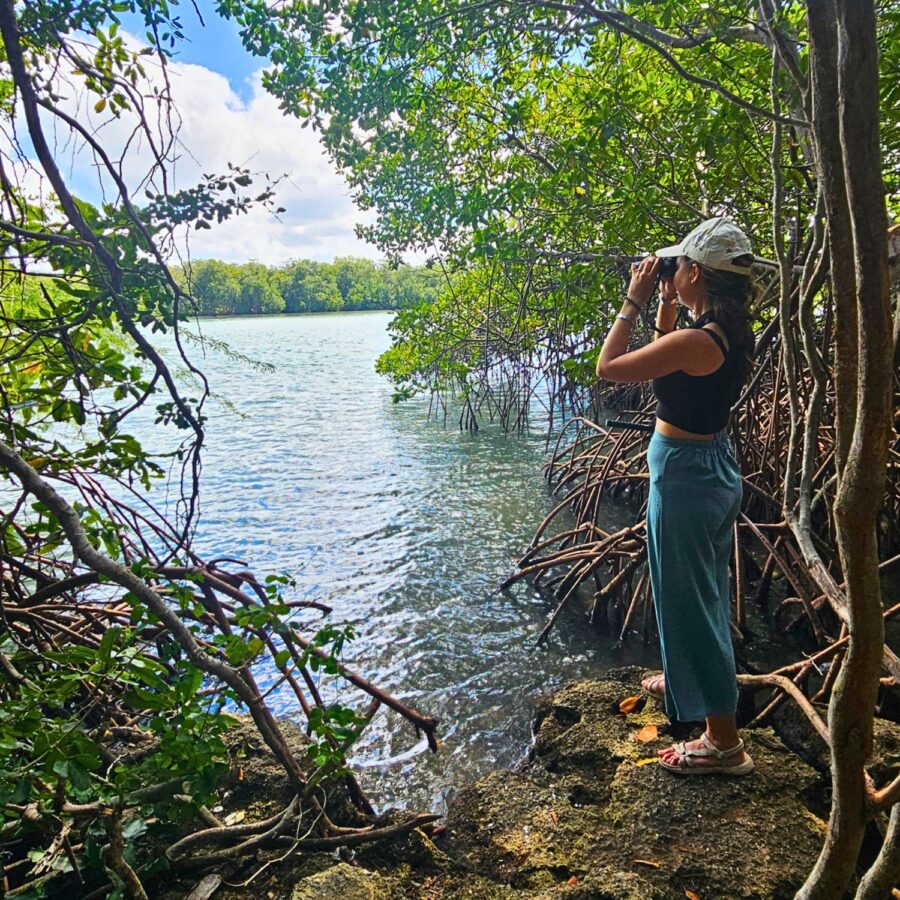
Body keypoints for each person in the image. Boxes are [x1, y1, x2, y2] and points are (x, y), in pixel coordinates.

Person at [595, 216, 755, 775]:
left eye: (678, 265)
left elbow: (611, 367)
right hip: (706, 469)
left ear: (697, 273)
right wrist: (666, 301)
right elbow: (672, 362)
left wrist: (634, 301)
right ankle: (686, 676)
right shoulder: (724, 330)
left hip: (687, 476)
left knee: (692, 602)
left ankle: (723, 744)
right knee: (698, 589)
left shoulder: (697, 340)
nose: (671, 271)